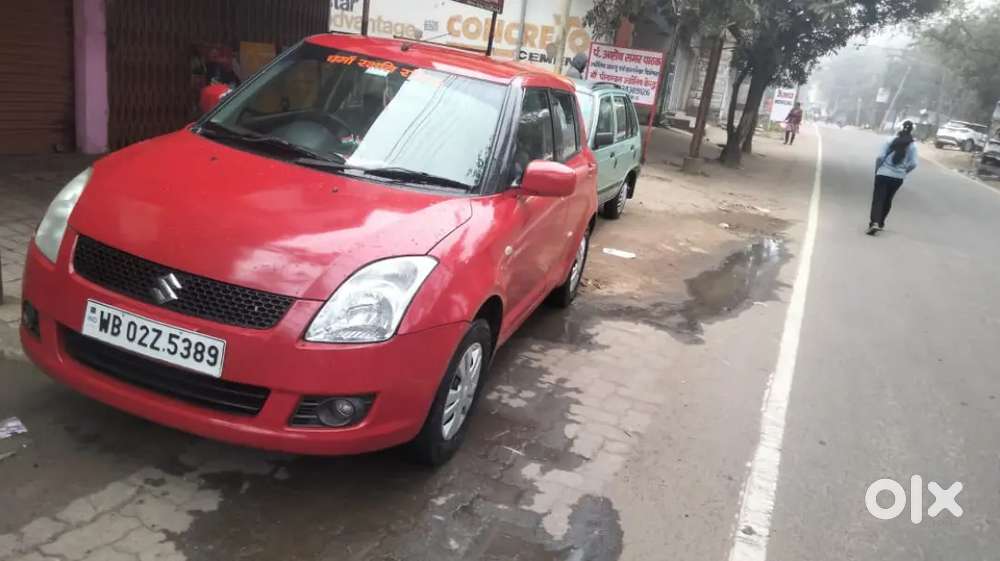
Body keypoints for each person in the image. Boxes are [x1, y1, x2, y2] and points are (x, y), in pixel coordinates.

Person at [867, 120, 918, 235]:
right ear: (912, 130)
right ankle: (880, 223)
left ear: (900, 128)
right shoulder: (913, 146)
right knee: (888, 199)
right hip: (898, 177)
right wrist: (904, 172)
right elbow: (914, 164)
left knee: (878, 199)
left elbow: (880, 157)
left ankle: (874, 222)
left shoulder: (890, 140)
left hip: (883, 173)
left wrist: (877, 170)